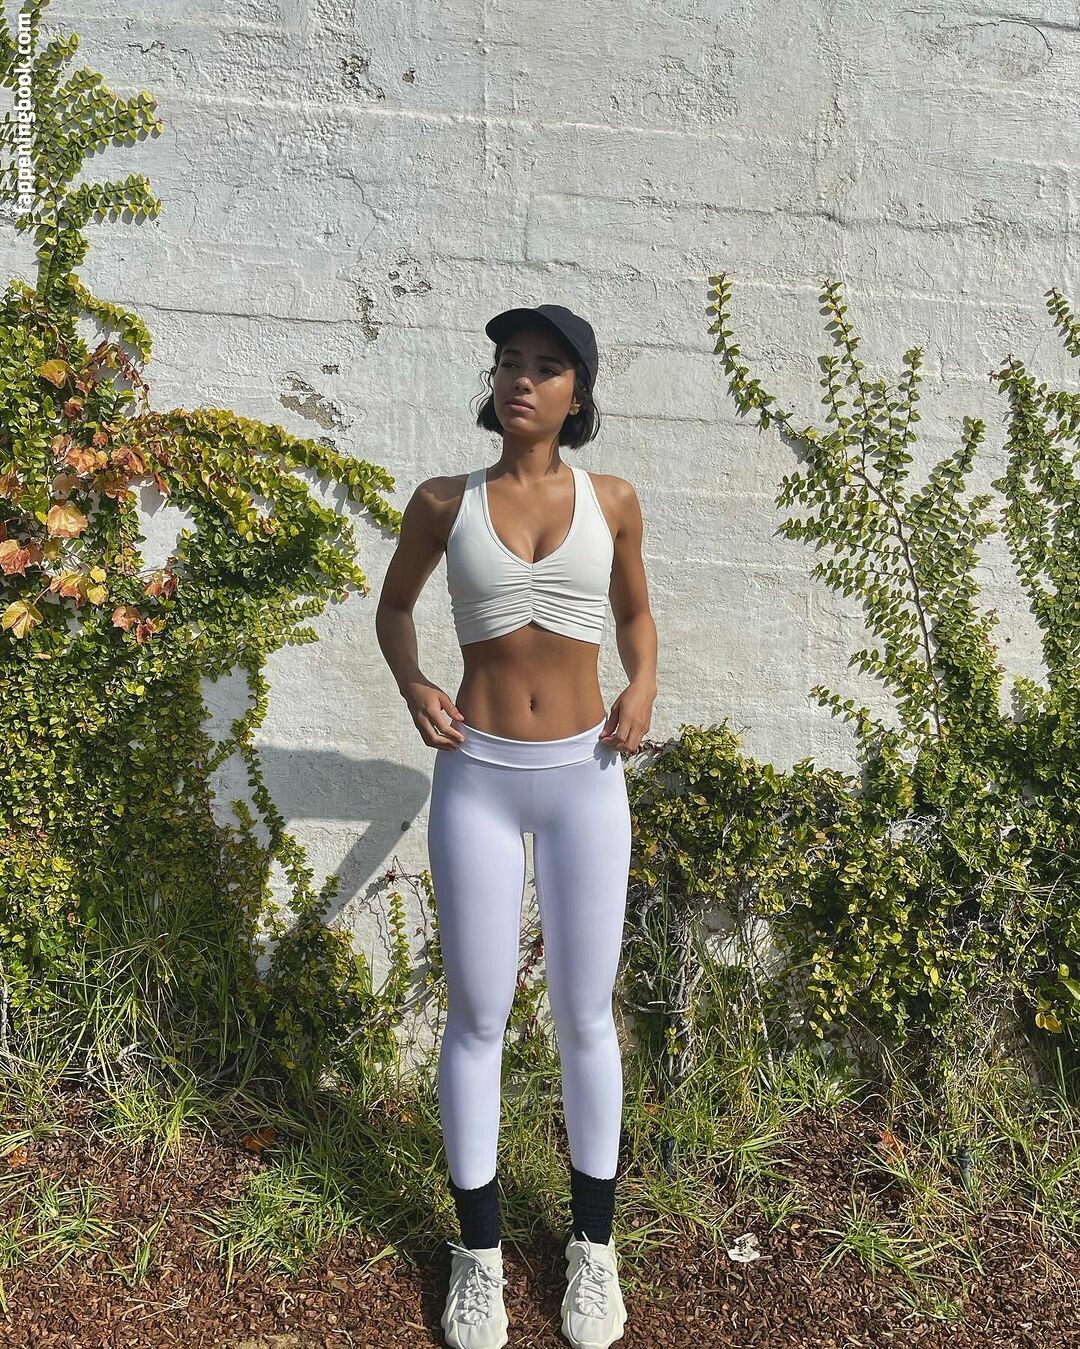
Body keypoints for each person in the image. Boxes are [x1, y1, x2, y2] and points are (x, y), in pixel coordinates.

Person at [375, 303, 657, 1349]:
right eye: (508, 362)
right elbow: (394, 608)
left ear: (579, 393)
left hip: (585, 775)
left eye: (546, 366)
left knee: (585, 1015)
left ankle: (593, 1248)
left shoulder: (612, 500)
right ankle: (480, 1258)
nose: (521, 380)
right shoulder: (442, 502)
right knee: (477, 1016)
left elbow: (635, 613)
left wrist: (643, 684)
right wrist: (414, 684)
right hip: (478, 779)